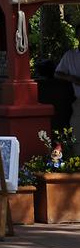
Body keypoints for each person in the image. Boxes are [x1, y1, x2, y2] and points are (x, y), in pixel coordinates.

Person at [55, 26, 80, 155]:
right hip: (78, 100)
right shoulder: (70, 55)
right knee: (76, 131)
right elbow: (57, 73)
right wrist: (71, 77)